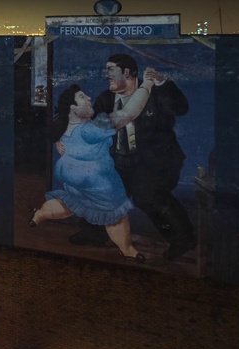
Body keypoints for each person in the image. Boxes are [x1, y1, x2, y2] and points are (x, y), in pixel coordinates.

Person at [70, 54, 196, 261]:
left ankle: (183, 239)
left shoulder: (156, 93)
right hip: (120, 159)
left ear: (127, 73)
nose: (106, 75)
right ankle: (93, 233)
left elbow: (180, 108)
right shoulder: (106, 99)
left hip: (154, 161)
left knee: (149, 197)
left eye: (111, 70)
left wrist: (163, 82)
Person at [31, 72, 158, 262]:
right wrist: (147, 84)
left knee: (71, 202)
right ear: (73, 109)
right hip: (98, 182)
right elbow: (128, 113)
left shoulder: (63, 126)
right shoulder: (91, 129)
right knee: (114, 214)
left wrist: (58, 141)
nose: (89, 98)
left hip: (70, 178)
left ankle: (40, 214)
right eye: (82, 97)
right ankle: (127, 248)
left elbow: (52, 133)